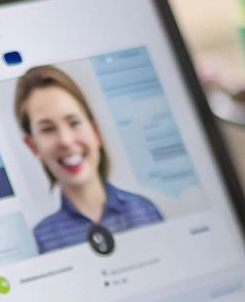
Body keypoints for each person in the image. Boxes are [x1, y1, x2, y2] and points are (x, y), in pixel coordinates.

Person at [13, 65, 162, 253]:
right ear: (33, 146)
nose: (66, 141)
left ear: (95, 132)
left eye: (74, 123)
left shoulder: (145, 209)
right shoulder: (41, 240)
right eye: (48, 128)